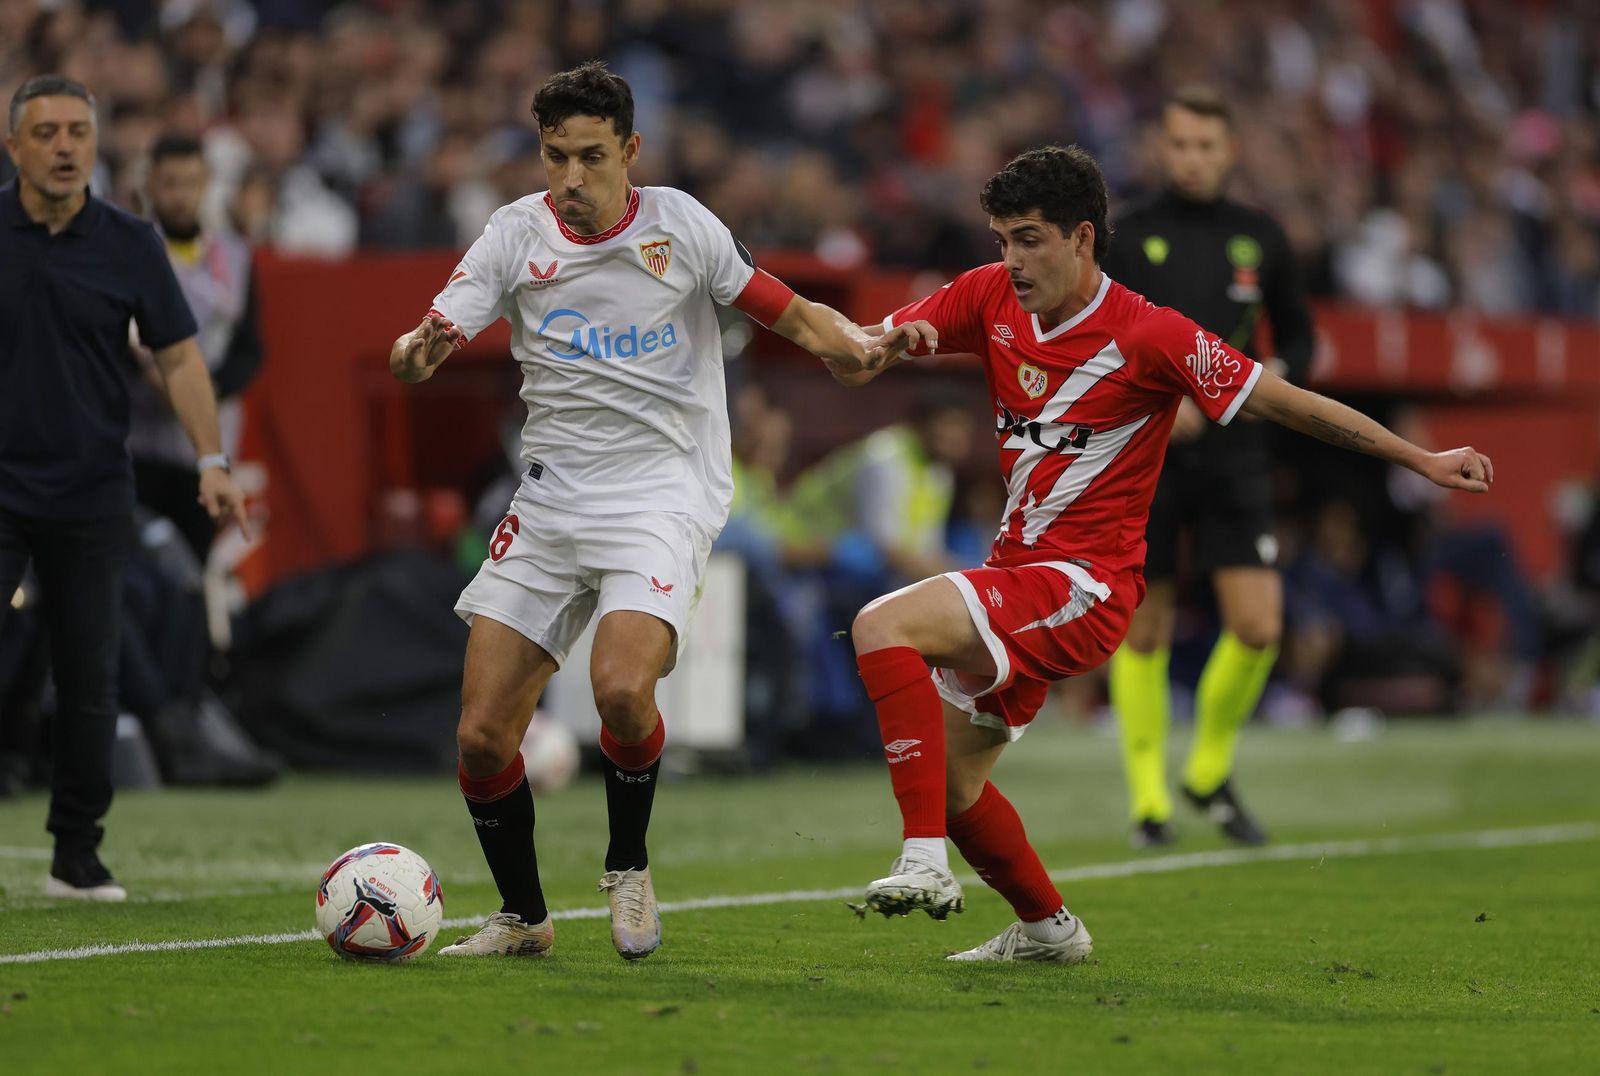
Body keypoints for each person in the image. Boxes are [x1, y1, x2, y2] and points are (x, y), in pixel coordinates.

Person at [824, 145, 1492, 964]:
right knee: (958, 790)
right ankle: (1049, 932)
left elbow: (1286, 403)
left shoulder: (1149, 334)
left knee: (879, 625)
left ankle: (921, 863)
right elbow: (856, 353)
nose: (1012, 260)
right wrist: (880, 348)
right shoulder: (986, 295)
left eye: (1030, 239)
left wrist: (1417, 459)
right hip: (1017, 576)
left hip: (1086, 586)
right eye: (1002, 239)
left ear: (1081, 237)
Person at [388, 62, 912, 961]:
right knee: (480, 736)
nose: (572, 179)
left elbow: (787, 310)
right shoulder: (515, 235)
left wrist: (851, 346)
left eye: (592, 157)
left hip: (662, 492)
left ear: (630, 150)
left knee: (624, 689)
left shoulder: (683, 227)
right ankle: (524, 918)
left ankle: (627, 866)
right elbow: (423, 344)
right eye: (556, 157)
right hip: (552, 495)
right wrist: (417, 352)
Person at [0, 75, 247, 901]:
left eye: (78, 131)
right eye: (46, 133)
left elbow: (179, 355)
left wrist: (211, 460)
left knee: (90, 676)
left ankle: (77, 854)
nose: (65, 146)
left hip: (94, 488)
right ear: (15, 148)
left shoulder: (130, 242)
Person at [1101, 86, 1316, 848]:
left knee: (1258, 626)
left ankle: (1208, 770)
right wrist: (1161, 397)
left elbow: (1297, 340)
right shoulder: (1127, 234)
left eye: (1205, 146)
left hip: (1235, 456)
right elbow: (1100, 337)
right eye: (1179, 144)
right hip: (1147, 454)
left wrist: (1252, 390)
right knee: (1145, 625)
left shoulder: (1262, 237)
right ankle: (1150, 800)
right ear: (1163, 147)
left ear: (1230, 152)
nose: (1191, 159)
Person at [128, 133, 262, 562]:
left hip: (206, 452)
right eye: (170, 183)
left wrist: (205, 395)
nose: (181, 195)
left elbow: (250, 348)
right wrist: (152, 383)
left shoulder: (236, 256)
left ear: (206, 184)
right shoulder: (131, 250)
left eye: (191, 182)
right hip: (140, 447)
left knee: (194, 573)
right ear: (150, 184)